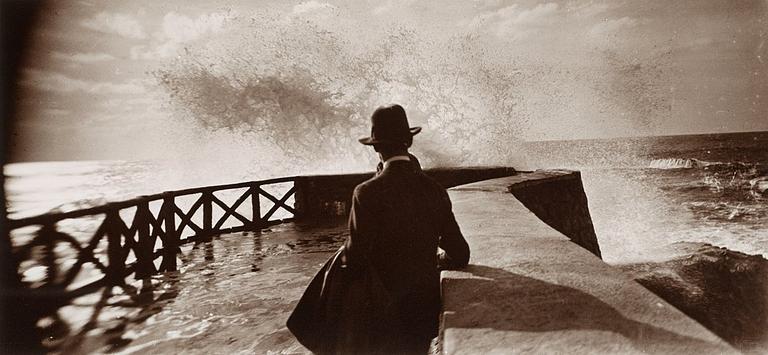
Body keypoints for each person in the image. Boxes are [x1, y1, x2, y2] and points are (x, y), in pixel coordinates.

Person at [340, 104, 471, 354]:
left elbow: (354, 260)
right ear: (409, 142)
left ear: (376, 147)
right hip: (424, 308)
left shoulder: (365, 193)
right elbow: (460, 253)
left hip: (381, 311)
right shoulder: (435, 190)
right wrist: (436, 259)